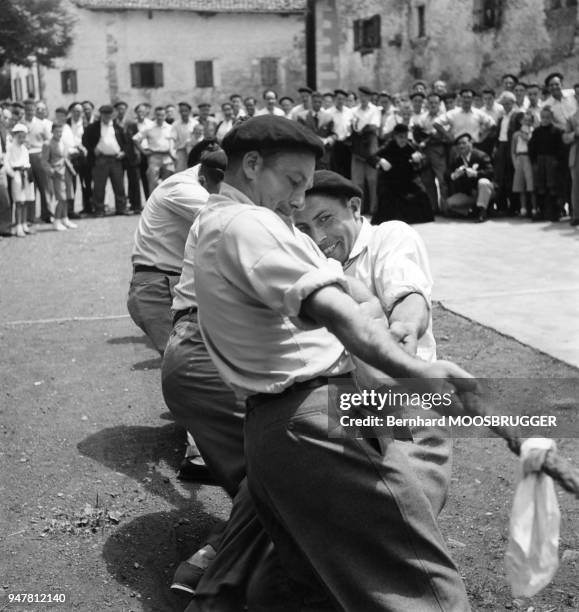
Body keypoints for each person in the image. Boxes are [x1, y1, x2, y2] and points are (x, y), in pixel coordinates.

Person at [190, 114, 478, 611]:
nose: (298, 201)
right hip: (319, 412)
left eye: (313, 201)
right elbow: (337, 311)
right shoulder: (248, 222)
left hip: (281, 422)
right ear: (252, 165)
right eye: (293, 183)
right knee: (417, 576)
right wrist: (416, 369)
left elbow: (392, 295)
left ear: (355, 208)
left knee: (306, 583)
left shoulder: (233, 225)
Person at [371, 123, 433, 225]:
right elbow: (372, 157)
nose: (403, 140)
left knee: (421, 193)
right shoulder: (388, 146)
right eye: (400, 137)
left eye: (405, 136)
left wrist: (419, 159)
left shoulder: (411, 146)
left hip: (407, 181)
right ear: (395, 136)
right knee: (386, 200)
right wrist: (381, 161)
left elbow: (425, 160)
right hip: (390, 182)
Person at [82, 104, 128, 216]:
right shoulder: (93, 127)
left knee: (119, 185)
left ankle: (121, 208)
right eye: (104, 114)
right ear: (101, 114)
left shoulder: (118, 127)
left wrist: (123, 152)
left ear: (112, 115)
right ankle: (99, 209)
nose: (107, 116)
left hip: (115, 159)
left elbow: (127, 143)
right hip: (100, 160)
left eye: (109, 114)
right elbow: (85, 140)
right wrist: (93, 150)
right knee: (99, 186)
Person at [528, 106, 565, 221]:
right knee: (540, 187)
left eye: (547, 117)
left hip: (552, 162)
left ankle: (555, 212)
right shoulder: (536, 131)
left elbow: (561, 148)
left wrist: (556, 160)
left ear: (551, 117)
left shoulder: (557, 131)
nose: (545, 119)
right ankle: (542, 211)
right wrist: (534, 161)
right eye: (543, 117)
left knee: (552, 186)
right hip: (540, 161)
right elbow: (532, 147)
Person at [447, 132, 494, 222]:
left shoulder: (481, 155)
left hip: (487, 191)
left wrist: (476, 173)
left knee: (483, 182)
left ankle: (482, 212)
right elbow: (447, 174)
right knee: (450, 203)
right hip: (471, 194)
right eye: (459, 144)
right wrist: (454, 175)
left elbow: (491, 172)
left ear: (471, 143)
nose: (461, 146)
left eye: (464, 143)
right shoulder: (458, 160)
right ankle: (473, 211)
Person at [350, 86, 381, 215]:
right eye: (361, 96)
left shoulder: (375, 110)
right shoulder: (353, 111)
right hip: (357, 149)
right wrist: (360, 130)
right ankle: (358, 209)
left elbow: (373, 127)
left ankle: (373, 208)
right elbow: (351, 128)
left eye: (366, 96)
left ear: (369, 97)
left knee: (372, 180)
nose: (363, 98)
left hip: (371, 149)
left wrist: (360, 129)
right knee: (357, 181)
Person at [41, 123, 77, 231]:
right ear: (52, 131)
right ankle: (56, 220)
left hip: (66, 171)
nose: (59, 134)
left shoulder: (63, 142)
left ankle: (65, 218)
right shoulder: (47, 144)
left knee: (67, 197)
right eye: (57, 131)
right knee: (61, 198)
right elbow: (44, 161)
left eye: (61, 132)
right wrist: (51, 171)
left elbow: (65, 156)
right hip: (57, 173)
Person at [134, 106, 176, 193]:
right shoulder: (149, 127)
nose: (160, 117)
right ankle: (152, 205)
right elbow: (135, 139)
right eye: (158, 115)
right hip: (154, 157)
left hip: (167, 157)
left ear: (165, 115)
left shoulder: (170, 127)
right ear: (155, 115)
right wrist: (143, 151)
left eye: (162, 115)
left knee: (168, 183)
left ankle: (165, 205)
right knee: (153, 182)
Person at [4, 123, 35, 237]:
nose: (22, 139)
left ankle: (24, 224)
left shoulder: (24, 148)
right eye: (20, 136)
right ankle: (18, 226)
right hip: (17, 175)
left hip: (26, 174)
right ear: (15, 136)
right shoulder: (10, 147)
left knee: (26, 201)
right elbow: (7, 164)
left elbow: (27, 161)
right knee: (19, 202)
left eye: (24, 136)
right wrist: (13, 175)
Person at [511, 111, 536, 218]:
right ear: (521, 121)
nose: (527, 122)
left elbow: (531, 143)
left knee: (531, 184)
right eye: (525, 120)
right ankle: (523, 208)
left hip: (528, 157)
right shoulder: (516, 134)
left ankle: (534, 208)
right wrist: (514, 161)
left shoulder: (533, 132)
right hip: (519, 157)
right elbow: (513, 150)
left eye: (529, 120)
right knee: (520, 185)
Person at [172, 102, 198, 172]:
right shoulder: (175, 124)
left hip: (193, 151)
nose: (183, 113)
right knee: (180, 172)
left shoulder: (195, 123)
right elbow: (173, 139)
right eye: (181, 111)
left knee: (193, 171)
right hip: (181, 152)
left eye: (185, 111)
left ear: (189, 111)